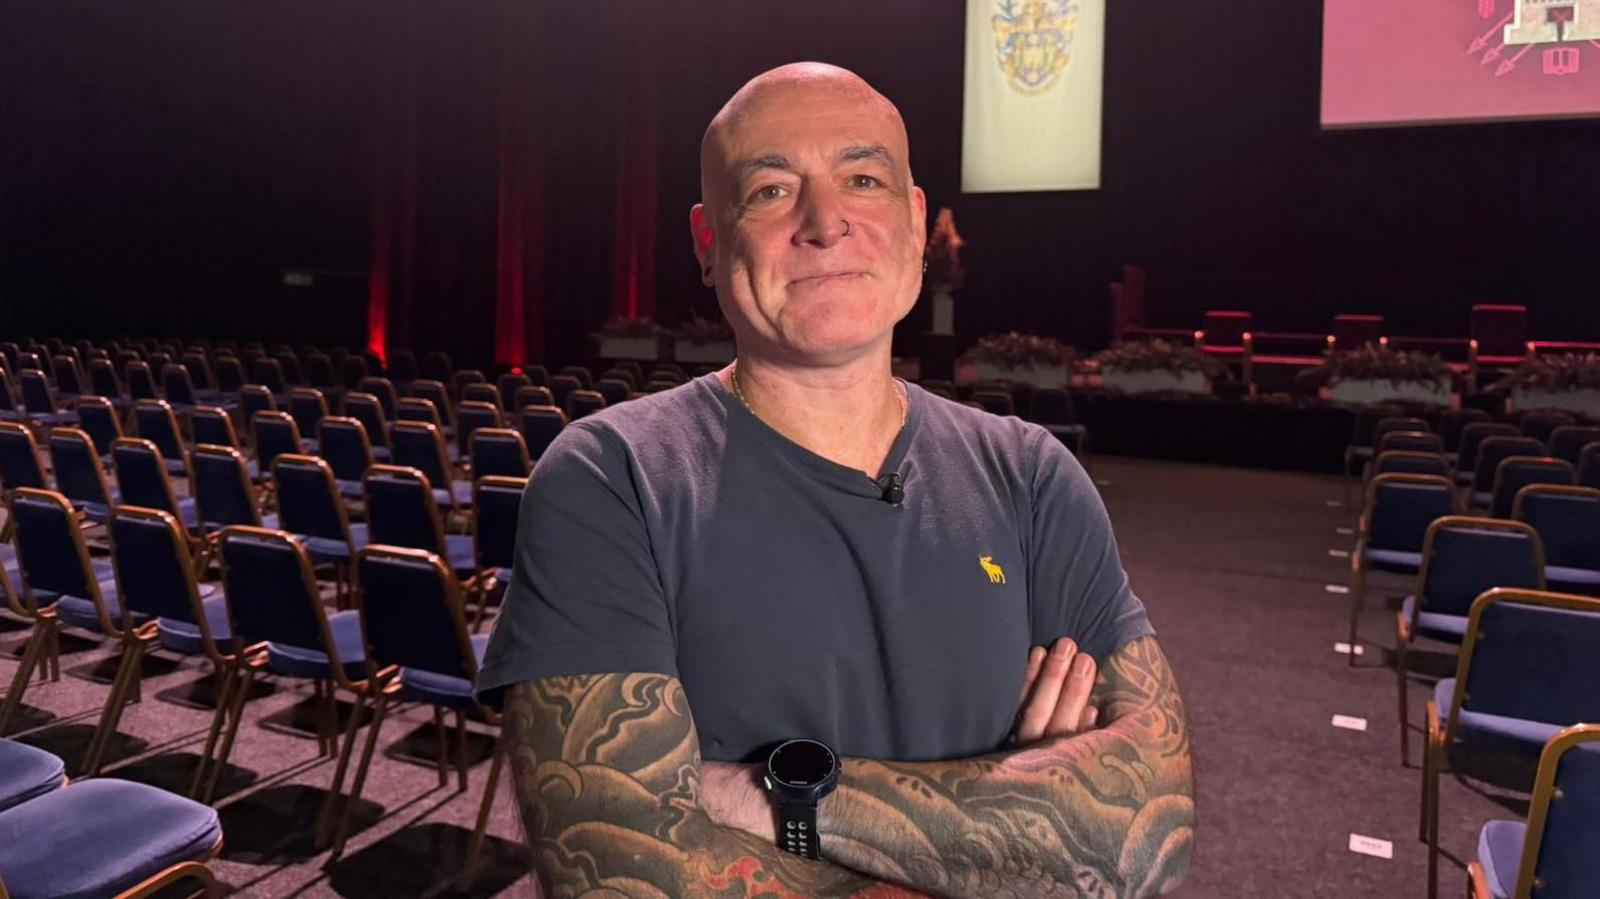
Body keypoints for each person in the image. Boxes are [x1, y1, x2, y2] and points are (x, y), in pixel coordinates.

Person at [477, 62, 1194, 898]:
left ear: (916, 223)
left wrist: (773, 795)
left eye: (863, 178)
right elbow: (624, 877)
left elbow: (1150, 835)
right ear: (709, 244)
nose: (826, 222)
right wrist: (1023, 828)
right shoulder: (612, 480)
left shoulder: (1033, 477)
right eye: (773, 190)